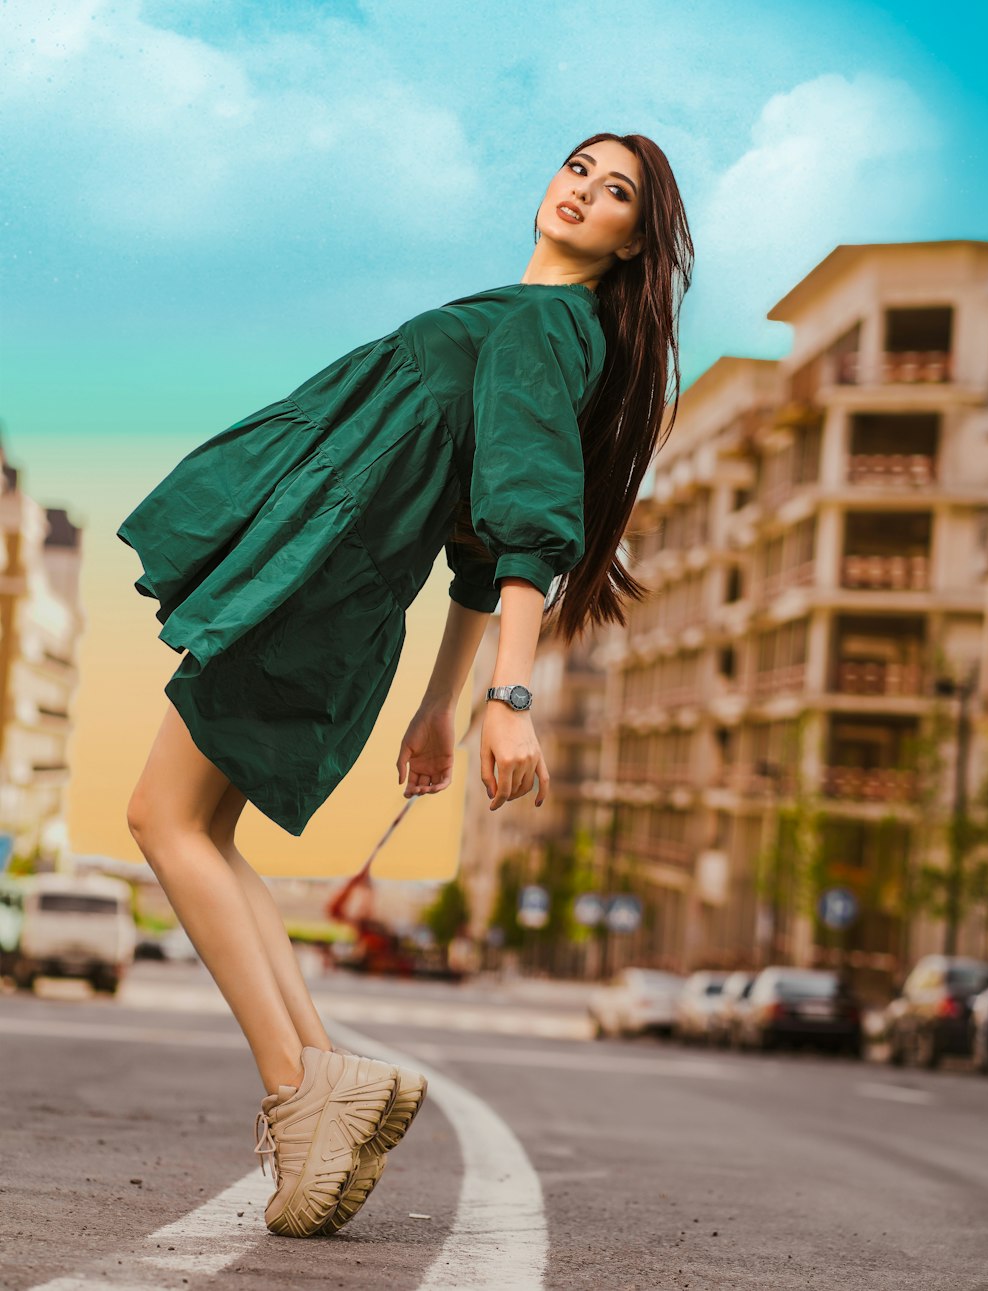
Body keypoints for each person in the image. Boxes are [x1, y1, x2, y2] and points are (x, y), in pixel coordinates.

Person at [119, 131, 693, 1239]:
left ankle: (302, 1089)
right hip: (341, 581)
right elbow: (477, 552)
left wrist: (505, 700)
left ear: (632, 244)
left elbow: (526, 524)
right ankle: (321, 1076)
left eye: (615, 192)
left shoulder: (536, 325)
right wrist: (439, 703)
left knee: (162, 818)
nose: (583, 191)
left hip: (320, 577)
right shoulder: (535, 323)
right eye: (578, 166)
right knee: (202, 828)